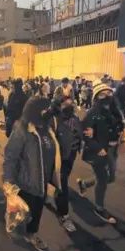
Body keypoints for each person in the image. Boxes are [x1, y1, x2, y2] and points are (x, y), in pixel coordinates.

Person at [3, 96, 61, 251]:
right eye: (45, 109)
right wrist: (8, 181)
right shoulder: (22, 130)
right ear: (35, 111)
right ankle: (17, 233)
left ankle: (31, 235)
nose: (48, 111)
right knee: (25, 213)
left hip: (44, 180)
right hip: (26, 182)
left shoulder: (47, 127)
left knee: (37, 211)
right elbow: (10, 157)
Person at [76, 80, 124, 224]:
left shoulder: (115, 110)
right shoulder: (93, 113)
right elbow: (85, 134)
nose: (106, 95)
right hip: (99, 151)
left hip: (113, 149)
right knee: (103, 179)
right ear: (96, 97)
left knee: (111, 178)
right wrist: (98, 148)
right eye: (102, 94)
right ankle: (99, 207)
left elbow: (119, 125)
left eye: (108, 92)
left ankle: (84, 184)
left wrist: (122, 134)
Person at [51, 95, 84, 232]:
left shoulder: (75, 118)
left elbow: (80, 133)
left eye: (71, 103)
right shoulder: (54, 120)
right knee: (62, 185)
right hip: (57, 158)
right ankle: (63, 215)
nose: (70, 105)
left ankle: (53, 192)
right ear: (59, 106)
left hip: (71, 155)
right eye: (65, 104)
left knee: (61, 181)